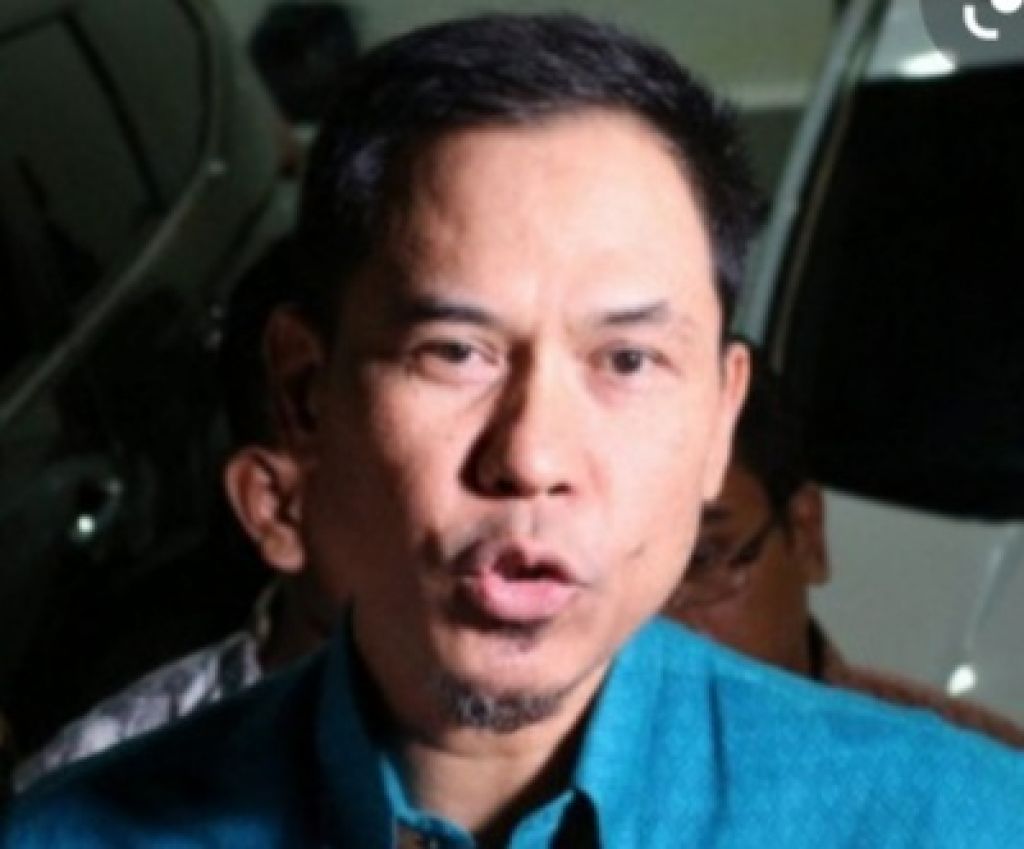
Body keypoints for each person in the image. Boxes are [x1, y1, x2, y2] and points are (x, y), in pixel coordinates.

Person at [3, 14, 1022, 847]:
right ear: (308, 396)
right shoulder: (73, 837)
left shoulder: (959, 826)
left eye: (627, 360)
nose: (532, 457)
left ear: (721, 419)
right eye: (455, 352)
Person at [665, 358, 1024, 748]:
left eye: (700, 558)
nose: (657, 623)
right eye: (618, 576)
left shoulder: (970, 767)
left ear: (806, 534)